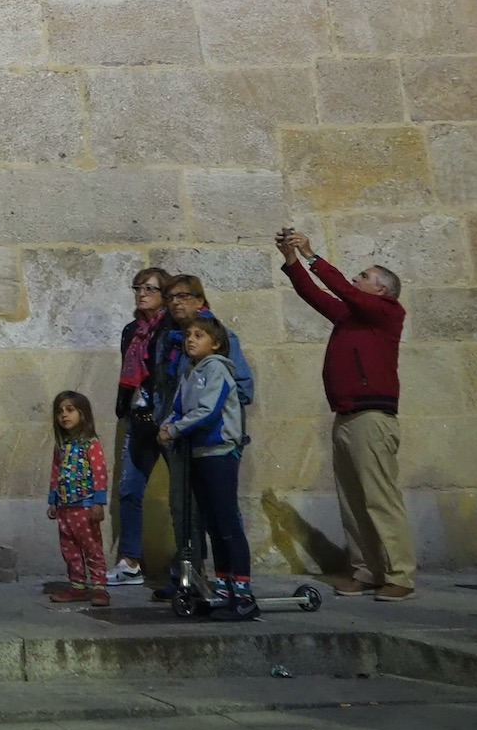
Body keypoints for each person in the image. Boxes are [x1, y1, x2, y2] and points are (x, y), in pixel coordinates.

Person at [276, 229, 414, 601]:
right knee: (353, 501)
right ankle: (367, 570)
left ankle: (400, 574)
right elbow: (313, 294)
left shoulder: (386, 313)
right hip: (346, 416)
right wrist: (291, 258)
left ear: (383, 290)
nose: (355, 280)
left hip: (373, 417)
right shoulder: (352, 317)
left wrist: (312, 254)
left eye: (364, 276)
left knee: (379, 500)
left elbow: (343, 291)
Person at [150, 275, 252, 601]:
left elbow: (230, 394)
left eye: (183, 296)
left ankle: (240, 587)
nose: (175, 303)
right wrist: (166, 425)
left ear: (199, 299)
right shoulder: (175, 347)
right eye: (170, 297)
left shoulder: (220, 350)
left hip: (216, 445)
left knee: (224, 519)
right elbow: (173, 398)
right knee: (186, 511)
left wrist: (184, 425)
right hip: (187, 445)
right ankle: (195, 576)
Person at [109, 267, 169, 587]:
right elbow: (126, 370)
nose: (141, 293)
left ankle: (192, 563)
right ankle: (130, 561)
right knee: (129, 490)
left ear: (164, 295)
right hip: (138, 417)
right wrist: (123, 407)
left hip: (168, 418)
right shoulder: (131, 329)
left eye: (149, 288)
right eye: (138, 288)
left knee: (182, 495)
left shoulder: (171, 328)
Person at [46, 391, 108, 607]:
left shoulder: (90, 443)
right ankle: (78, 586)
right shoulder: (61, 447)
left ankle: (99, 586)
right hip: (65, 507)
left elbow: (100, 473)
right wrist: (52, 500)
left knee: (91, 547)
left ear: (83, 414)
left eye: (70, 410)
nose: (64, 415)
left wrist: (98, 502)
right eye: (60, 411)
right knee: (69, 548)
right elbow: (56, 473)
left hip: (85, 506)